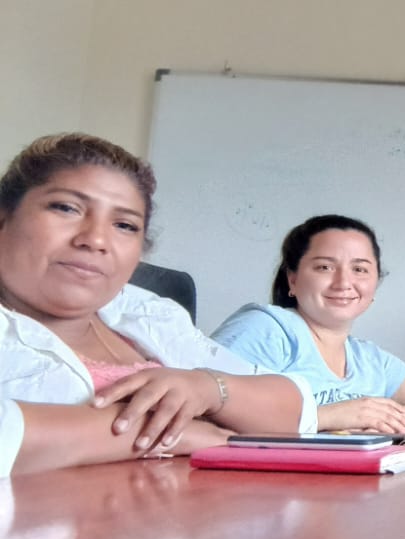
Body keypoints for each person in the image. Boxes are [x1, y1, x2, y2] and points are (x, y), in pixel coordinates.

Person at [0, 133, 315, 476]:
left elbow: (296, 412)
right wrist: (161, 432)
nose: (96, 239)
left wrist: (209, 389)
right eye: (66, 208)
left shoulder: (143, 311)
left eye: (125, 225)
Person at [213, 214, 405, 433]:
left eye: (359, 269)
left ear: (375, 283)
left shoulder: (371, 360)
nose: (343, 283)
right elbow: (204, 408)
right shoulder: (266, 328)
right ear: (293, 279)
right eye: (324, 267)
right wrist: (328, 416)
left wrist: (403, 418)